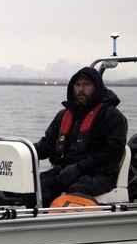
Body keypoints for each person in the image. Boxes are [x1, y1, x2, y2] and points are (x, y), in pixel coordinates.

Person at [34, 66, 128, 206]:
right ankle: (28, 221)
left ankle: (60, 223)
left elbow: (111, 153)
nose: (81, 89)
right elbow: (47, 145)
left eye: (86, 85)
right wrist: (26, 152)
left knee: (74, 192)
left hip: (99, 175)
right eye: (77, 85)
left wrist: (79, 168)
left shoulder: (113, 117)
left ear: (97, 87)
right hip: (65, 171)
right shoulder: (63, 116)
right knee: (36, 187)